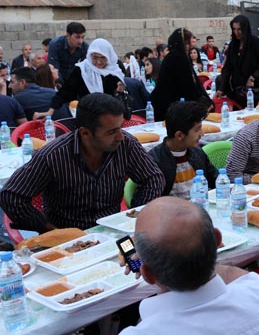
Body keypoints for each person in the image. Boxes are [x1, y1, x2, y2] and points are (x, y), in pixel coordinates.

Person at [0, 93, 165, 232]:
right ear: (85, 133)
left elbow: (153, 178)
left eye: (120, 128)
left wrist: (135, 215)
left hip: (115, 231)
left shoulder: (125, 144)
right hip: (69, 240)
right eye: (112, 131)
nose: (120, 136)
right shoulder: (53, 155)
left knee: (134, 266)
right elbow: (11, 196)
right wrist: (48, 229)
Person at [120, 197, 259, 335]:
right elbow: (243, 278)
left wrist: (158, 264)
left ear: (147, 274)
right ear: (217, 240)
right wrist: (206, 255)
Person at [34, 38, 126, 120]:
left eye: (103, 58)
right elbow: (65, 92)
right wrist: (50, 111)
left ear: (109, 57)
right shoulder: (83, 70)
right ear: (90, 55)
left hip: (110, 118)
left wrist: (119, 92)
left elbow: (120, 98)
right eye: (94, 58)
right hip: (88, 118)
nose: (98, 62)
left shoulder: (115, 72)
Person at [148, 101, 219, 199]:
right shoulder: (154, 161)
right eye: (197, 129)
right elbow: (148, 202)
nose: (202, 133)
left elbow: (217, 180)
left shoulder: (197, 153)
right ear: (179, 135)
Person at [151, 28, 213, 121]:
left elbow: (193, 81)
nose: (190, 46)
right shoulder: (177, 58)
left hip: (171, 101)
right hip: (166, 103)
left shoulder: (180, 56)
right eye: (188, 43)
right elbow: (187, 84)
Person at [219, 15, 259, 108]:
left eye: (239, 29)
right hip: (238, 90)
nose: (236, 32)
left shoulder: (255, 43)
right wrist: (222, 88)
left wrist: (253, 77)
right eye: (234, 29)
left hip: (255, 90)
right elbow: (227, 68)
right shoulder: (233, 46)